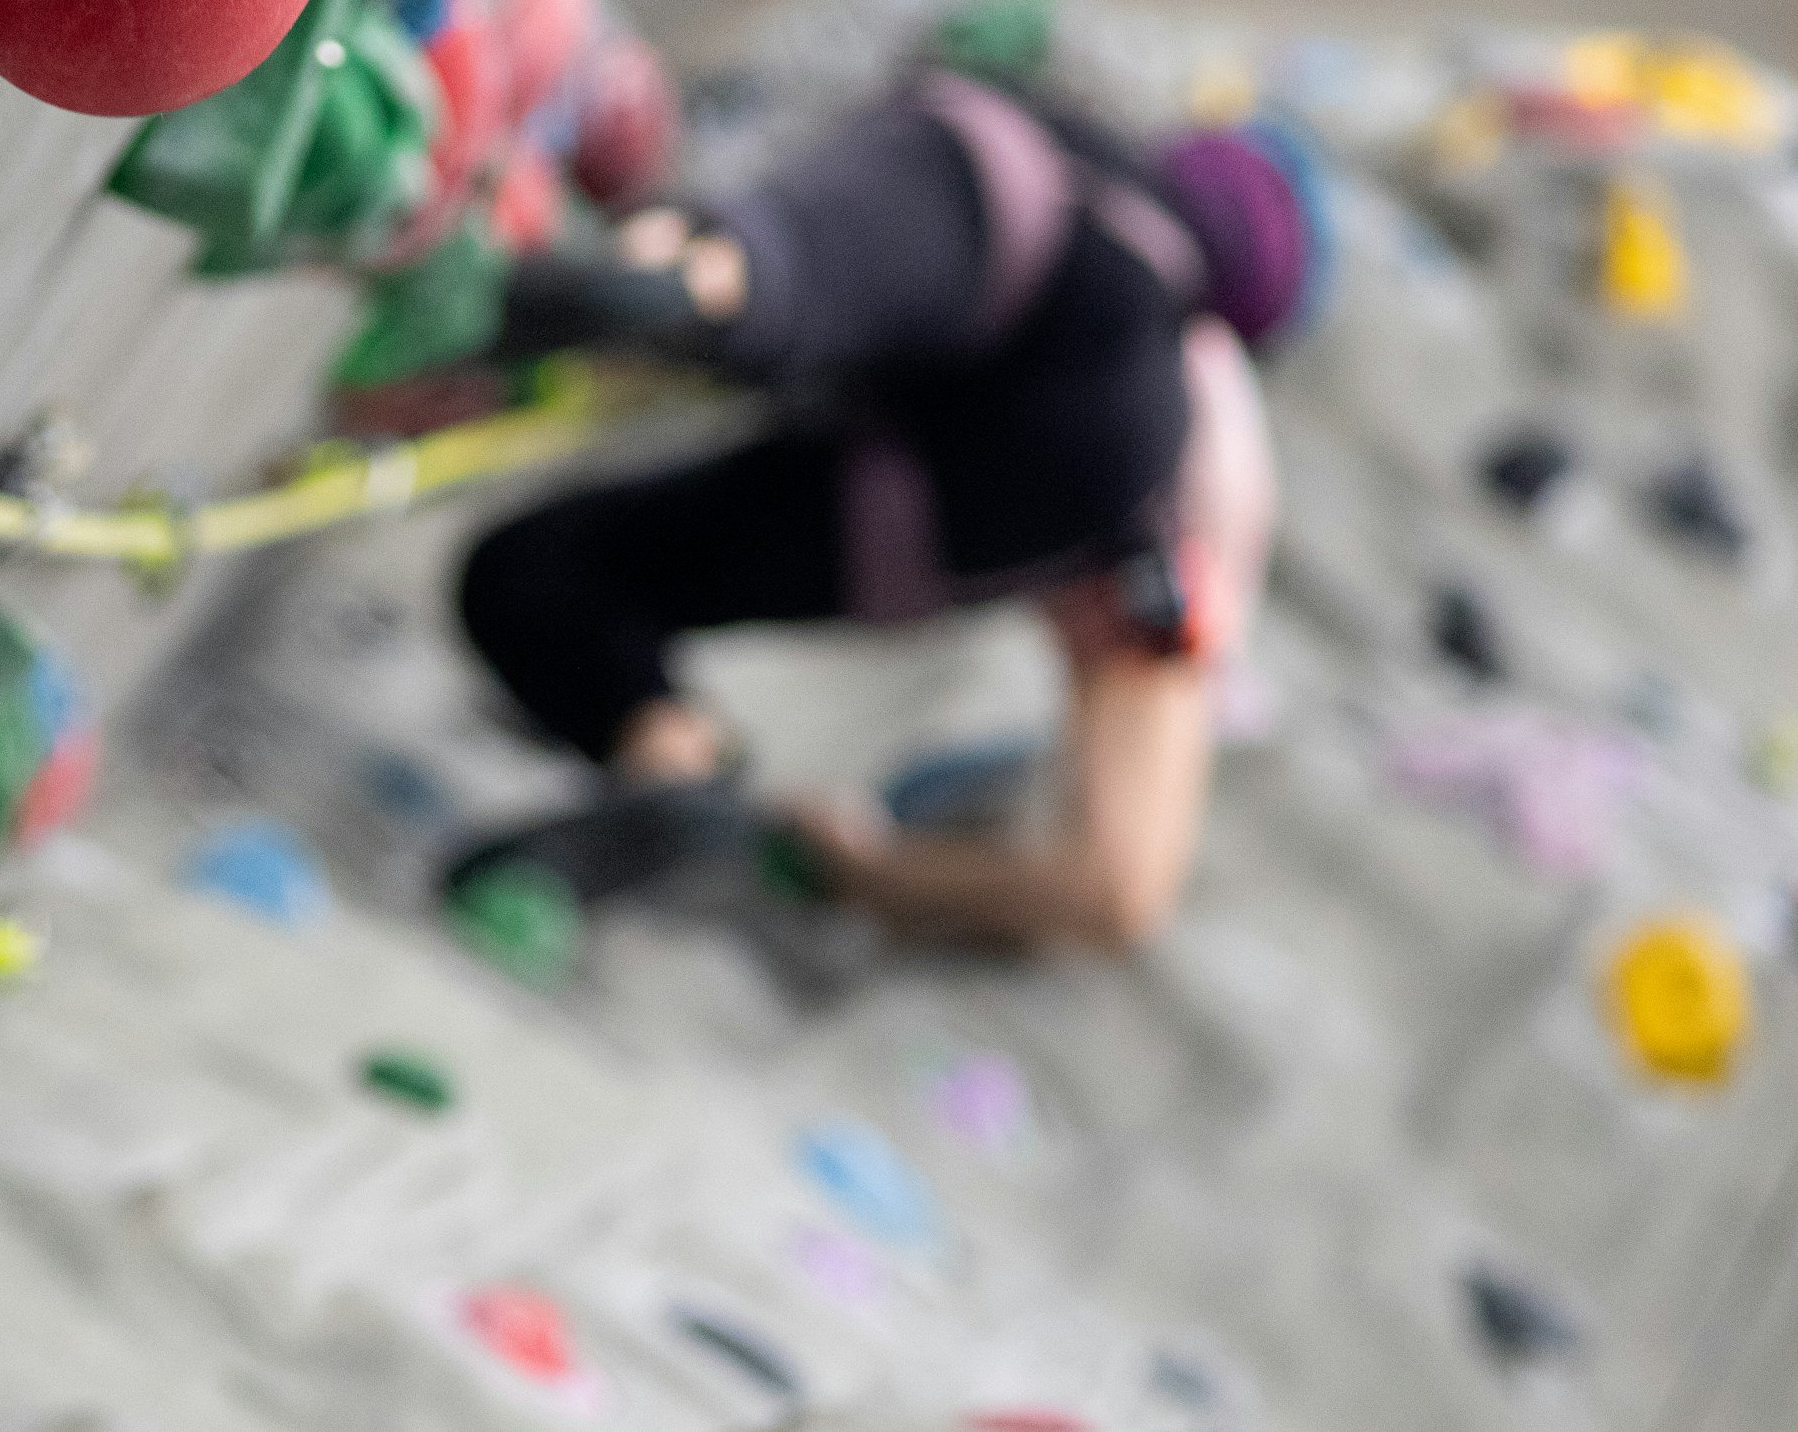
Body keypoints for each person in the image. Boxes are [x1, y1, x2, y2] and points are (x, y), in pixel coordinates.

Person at [450, 70, 1322, 951]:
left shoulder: (1093, 164)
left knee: (781, 266)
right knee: (539, 573)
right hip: (1043, 457)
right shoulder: (1197, 448)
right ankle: (672, 758)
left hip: (1006, 181)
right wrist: (859, 868)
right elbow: (1119, 887)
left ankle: (692, 273)